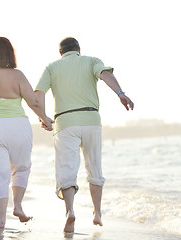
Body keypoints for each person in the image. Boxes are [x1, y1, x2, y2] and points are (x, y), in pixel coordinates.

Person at [35, 37, 134, 233]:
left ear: (60, 53)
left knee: (67, 169)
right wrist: (120, 93)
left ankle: (70, 211)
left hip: (65, 123)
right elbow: (105, 75)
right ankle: (97, 213)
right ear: (78, 50)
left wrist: (44, 117)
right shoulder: (91, 61)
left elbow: (39, 93)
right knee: (94, 167)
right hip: (91, 120)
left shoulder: (52, 67)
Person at [0, 37, 53, 228]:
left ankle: (1, 219)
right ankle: (17, 206)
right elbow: (33, 102)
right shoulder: (17, 75)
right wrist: (45, 119)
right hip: (17, 125)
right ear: (11, 53)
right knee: (21, 167)